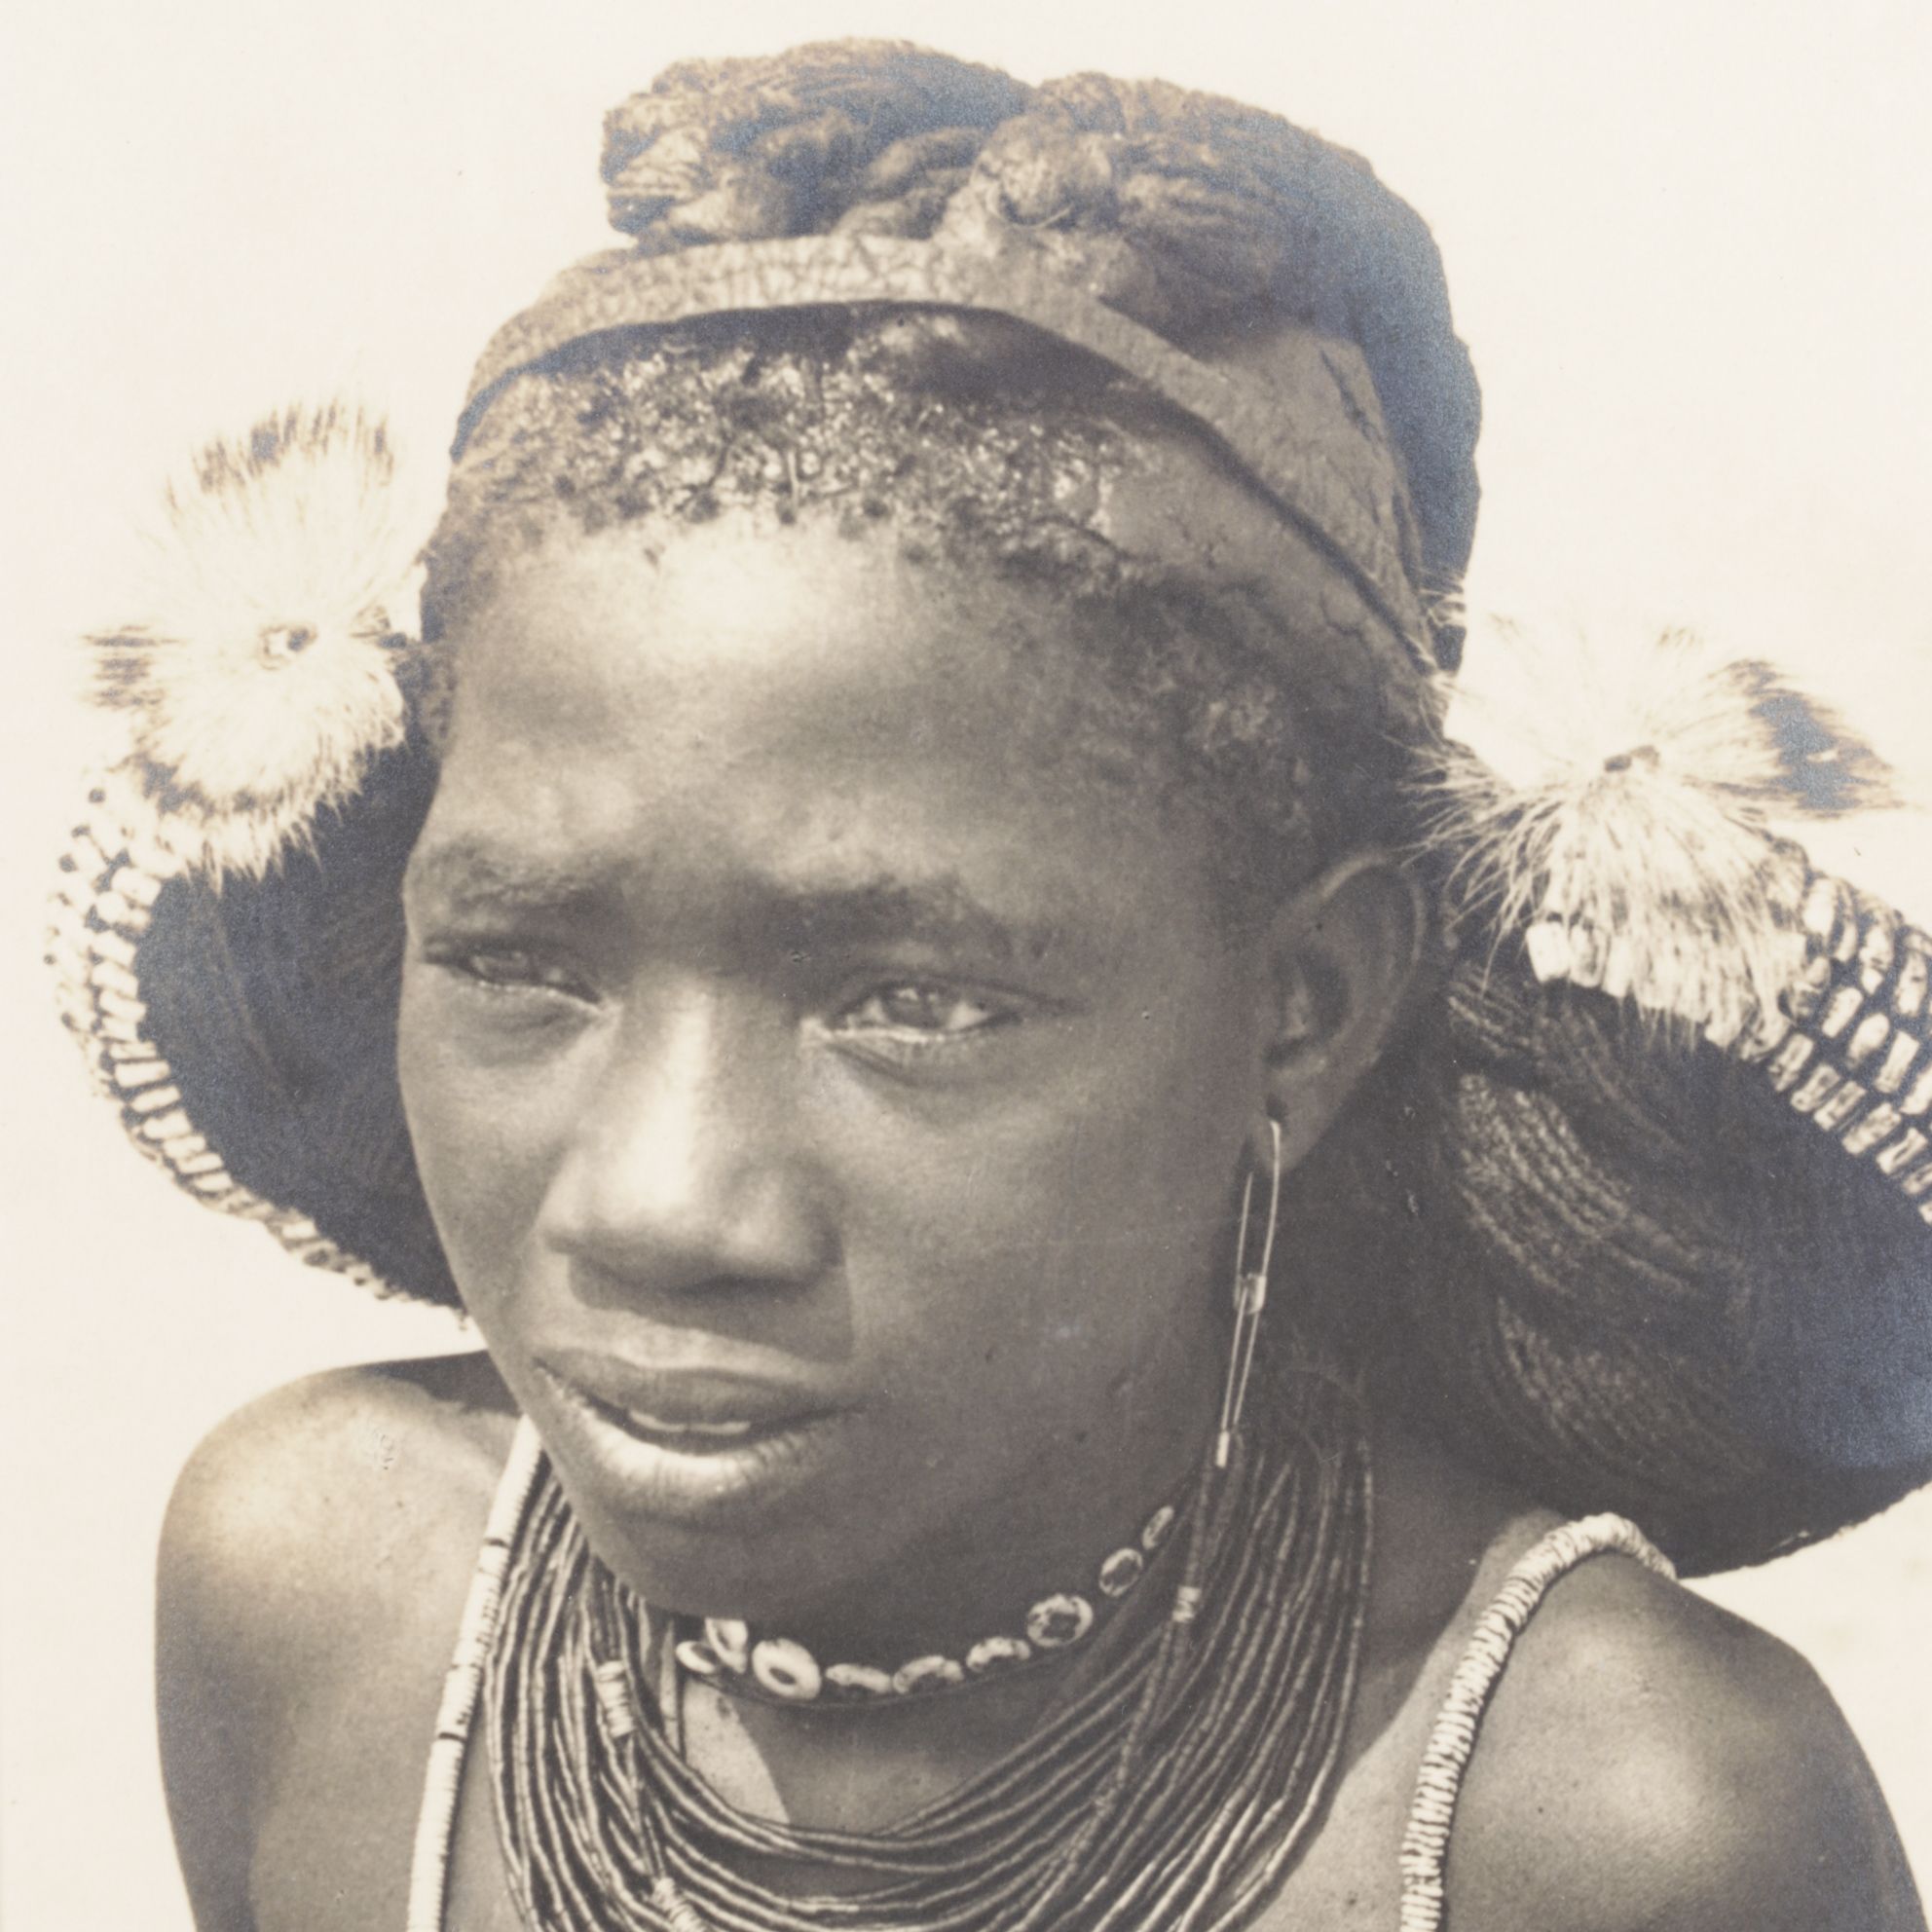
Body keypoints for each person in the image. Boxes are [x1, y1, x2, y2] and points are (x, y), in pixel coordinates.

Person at [49, 41, 1930, 1932]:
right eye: (520, 962)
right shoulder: (327, 1599)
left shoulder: (1614, 1826)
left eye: (914, 1003)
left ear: (1302, 1008)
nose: (658, 1204)